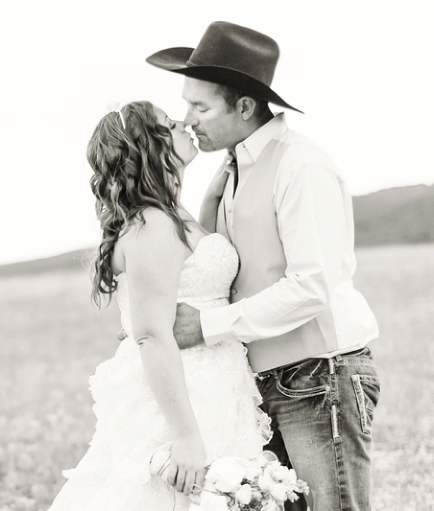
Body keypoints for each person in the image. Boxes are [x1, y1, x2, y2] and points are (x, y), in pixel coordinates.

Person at [146, 21, 381, 511]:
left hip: (320, 375)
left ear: (245, 107)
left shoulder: (301, 166)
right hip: (260, 384)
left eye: (201, 107)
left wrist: (206, 327)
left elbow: (311, 285)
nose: (187, 118)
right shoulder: (230, 170)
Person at [48, 101, 271, 511]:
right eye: (169, 123)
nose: (185, 123)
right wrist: (185, 435)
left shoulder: (175, 214)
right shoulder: (152, 223)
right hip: (184, 396)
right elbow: (151, 335)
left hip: (217, 384)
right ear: (149, 146)